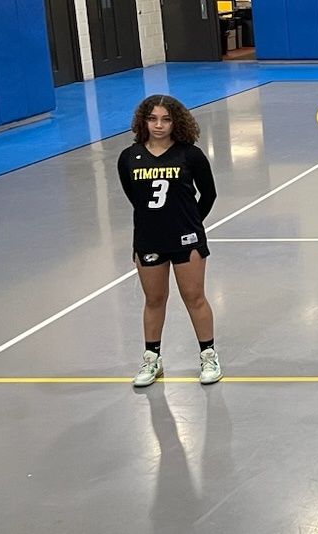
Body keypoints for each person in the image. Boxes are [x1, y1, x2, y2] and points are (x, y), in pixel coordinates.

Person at [118, 94, 223, 387]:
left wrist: (191, 223)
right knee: (154, 299)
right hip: (149, 240)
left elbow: (209, 194)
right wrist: (152, 226)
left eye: (165, 119)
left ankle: (208, 355)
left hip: (186, 240)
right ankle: (152, 359)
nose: (159, 125)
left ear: (176, 122)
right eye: (152, 119)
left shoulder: (191, 155)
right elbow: (134, 198)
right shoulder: (129, 157)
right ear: (143, 122)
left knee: (194, 297)